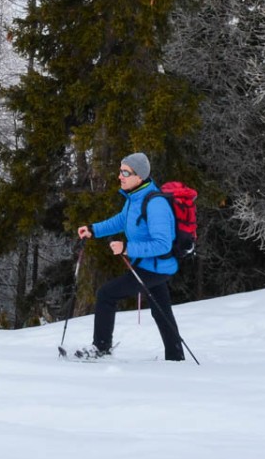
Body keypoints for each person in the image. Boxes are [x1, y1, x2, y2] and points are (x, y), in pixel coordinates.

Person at [75, 152, 185, 361]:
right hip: (150, 265)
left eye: (126, 172)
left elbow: (162, 244)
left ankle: (101, 347)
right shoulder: (135, 198)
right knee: (161, 311)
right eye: (120, 171)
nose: (120, 176)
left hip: (155, 266)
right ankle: (176, 357)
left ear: (140, 176)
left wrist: (127, 248)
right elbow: (121, 221)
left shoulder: (155, 204)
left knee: (106, 294)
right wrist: (93, 229)